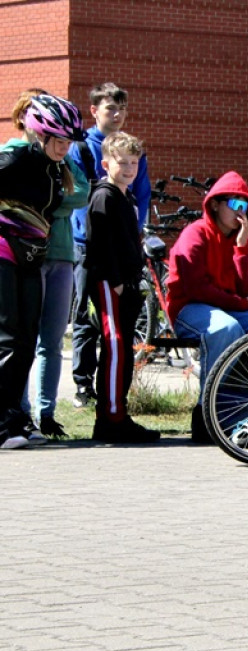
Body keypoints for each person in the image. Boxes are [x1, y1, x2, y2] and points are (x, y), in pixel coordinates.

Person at [165, 171, 248, 441]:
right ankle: (208, 413)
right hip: (190, 309)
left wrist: (241, 248)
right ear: (215, 204)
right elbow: (196, 288)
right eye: (235, 204)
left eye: (246, 207)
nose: (241, 212)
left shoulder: (243, 241)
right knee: (226, 329)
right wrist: (240, 302)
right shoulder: (195, 233)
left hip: (229, 309)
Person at [4, 90, 90, 439]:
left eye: (69, 141)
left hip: (44, 254)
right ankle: (10, 417)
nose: (65, 147)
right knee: (12, 338)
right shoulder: (13, 157)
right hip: (11, 254)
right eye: (59, 139)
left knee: (34, 341)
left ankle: (29, 416)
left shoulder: (57, 165)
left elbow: (80, 192)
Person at [68, 82, 152, 410]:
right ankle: (82, 383)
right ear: (94, 111)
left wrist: (135, 231)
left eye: (121, 109)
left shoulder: (131, 150)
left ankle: (111, 388)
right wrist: (83, 234)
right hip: (87, 245)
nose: (116, 115)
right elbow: (78, 198)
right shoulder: (83, 149)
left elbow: (140, 195)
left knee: (115, 323)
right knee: (87, 316)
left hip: (122, 246)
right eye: (109, 109)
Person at [85, 132, 159, 443]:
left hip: (126, 284)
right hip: (108, 283)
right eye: (122, 162)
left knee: (124, 351)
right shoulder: (105, 196)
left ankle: (118, 414)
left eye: (134, 162)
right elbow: (99, 244)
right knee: (114, 348)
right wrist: (115, 282)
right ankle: (110, 420)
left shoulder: (126, 196)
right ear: (106, 164)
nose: (129, 167)